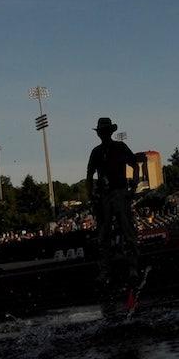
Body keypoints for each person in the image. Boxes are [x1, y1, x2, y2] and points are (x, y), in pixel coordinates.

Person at [86, 116, 138, 284]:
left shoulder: (115, 148)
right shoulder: (101, 151)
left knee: (123, 231)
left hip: (116, 193)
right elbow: (89, 175)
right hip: (107, 195)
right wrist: (91, 196)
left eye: (104, 131)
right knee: (108, 234)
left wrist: (133, 188)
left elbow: (89, 176)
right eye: (103, 131)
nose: (104, 134)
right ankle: (113, 269)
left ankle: (128, 268)